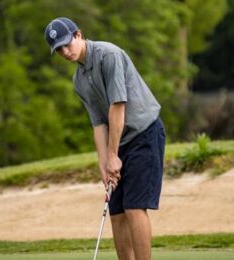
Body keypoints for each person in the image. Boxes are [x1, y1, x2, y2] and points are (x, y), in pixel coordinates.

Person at [44, 17, 165, 260]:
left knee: (134, 207)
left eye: (67, 44)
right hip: (118, 141)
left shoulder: (108, 55)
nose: (65, 51)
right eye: (59, 50)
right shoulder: (78, 80)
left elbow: (117, 107)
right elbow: (99, 124)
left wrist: (113, 157)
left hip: (144, 134)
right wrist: (103, 164)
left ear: (78, 34)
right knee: (117, 211)